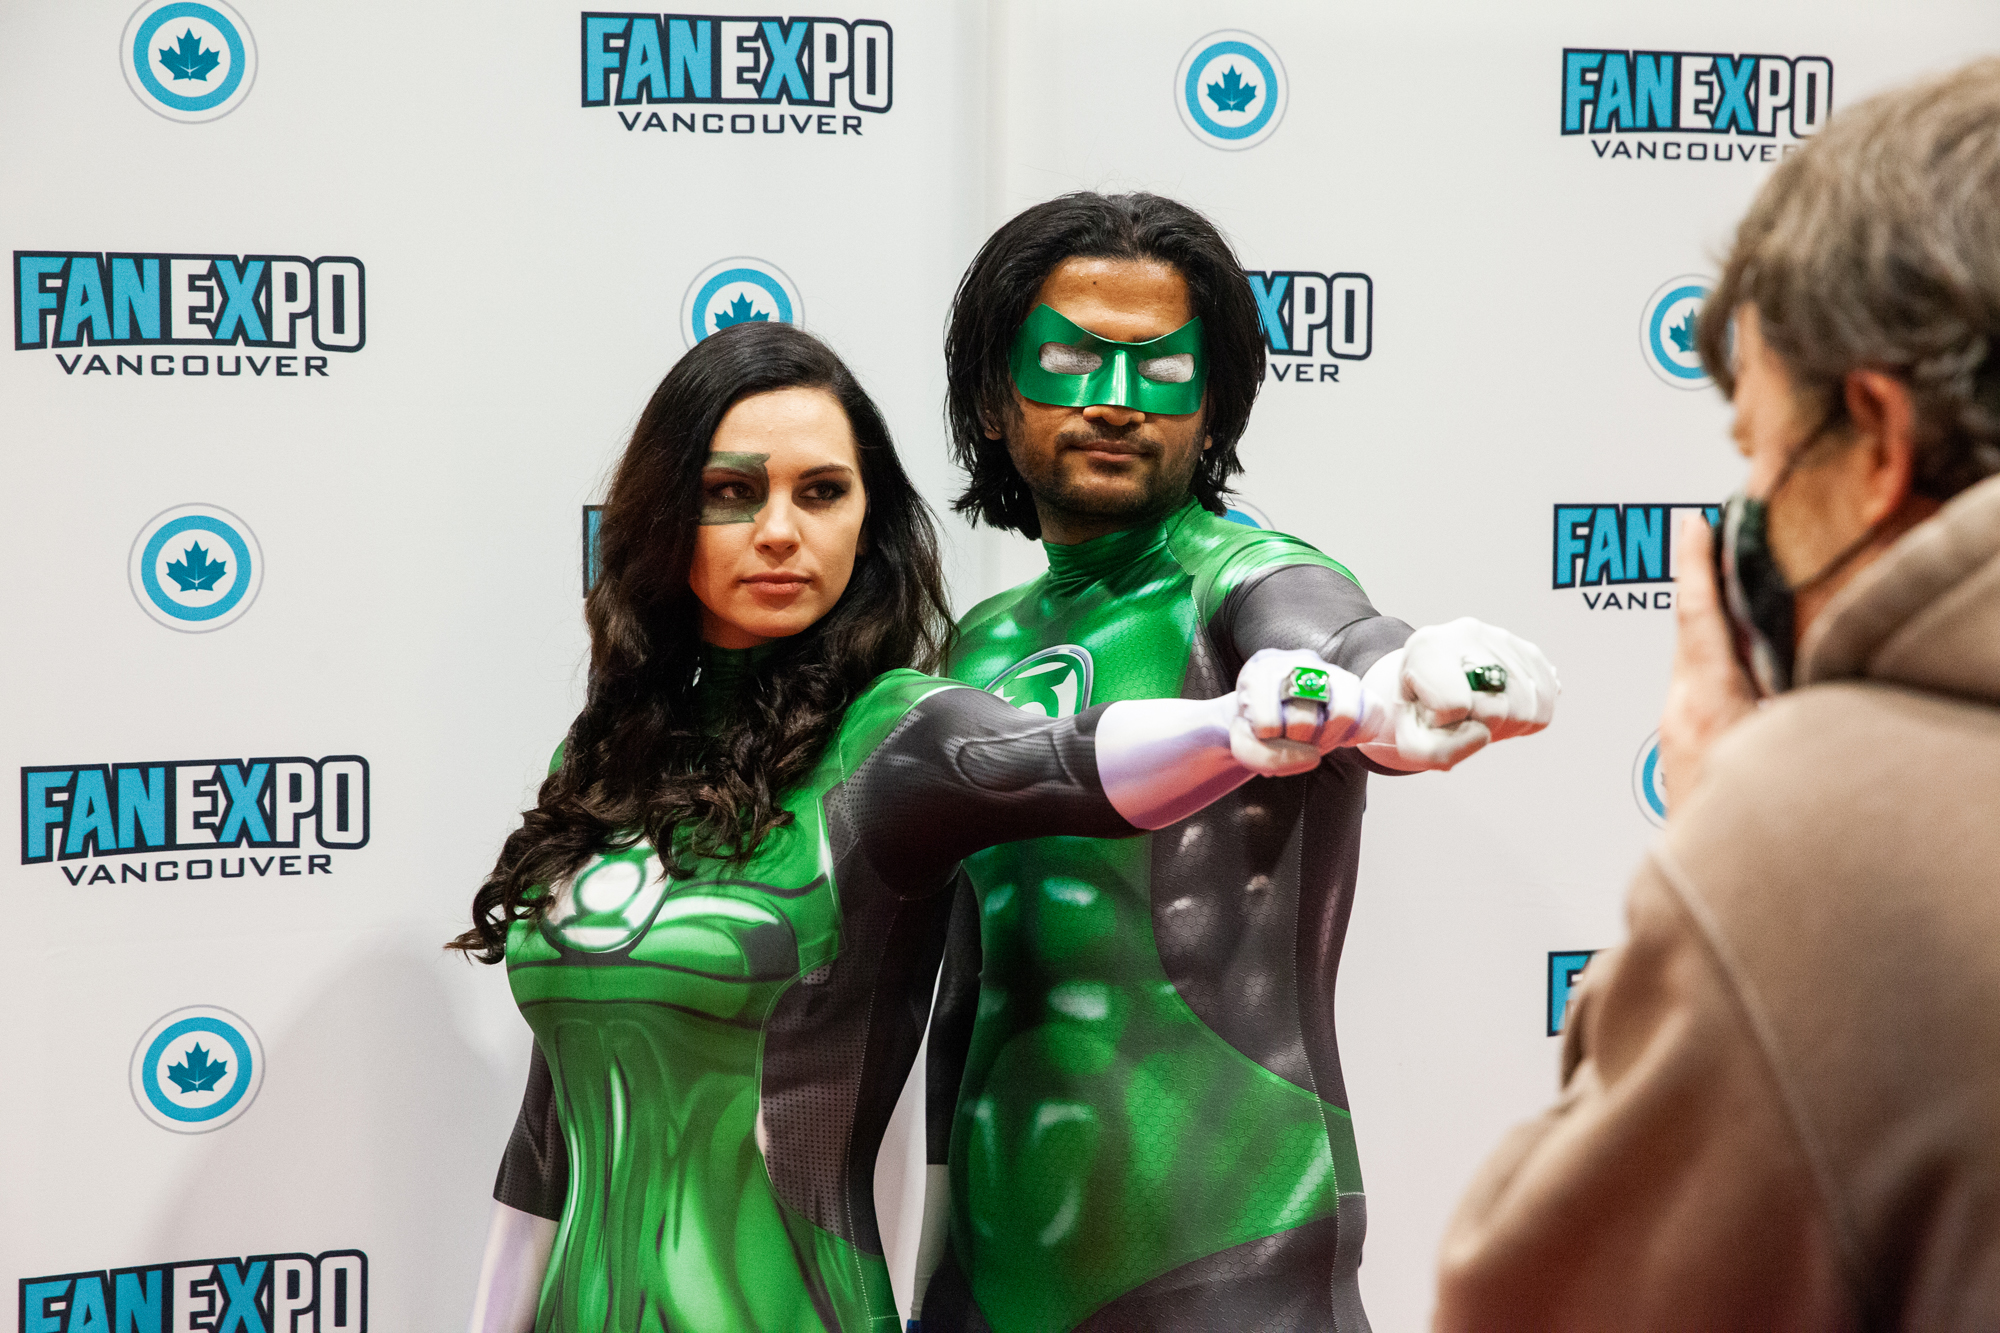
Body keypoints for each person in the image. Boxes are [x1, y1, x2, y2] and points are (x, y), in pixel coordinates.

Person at [449, 321, 1410, 1333]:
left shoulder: (897, 734)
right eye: (732, 492)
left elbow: (1068, 761)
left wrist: (1239, 725)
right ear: (665, 515)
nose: (780, 531)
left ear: (867, 519)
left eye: (820, 492)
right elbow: (547, 1135)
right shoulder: (598, 762)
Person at [913, 192, 1560, 1333]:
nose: (1113, 402)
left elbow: (1335, 642)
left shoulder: (1240, 578)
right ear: (992, 392)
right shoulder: (968, 650)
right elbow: (962, 985)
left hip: (1238, 1266)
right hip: (992, 1280)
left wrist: (1412, 673)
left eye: (1160, 370)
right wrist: (933, 1263)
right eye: (1066, 360)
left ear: (1213, 409)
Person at [1435, 59, 2000, 1330]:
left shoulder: (1815, 832)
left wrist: (1726, 821)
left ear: (1875, 439)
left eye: (1754, 447)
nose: (1743, 515)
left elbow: (1524, 1299)